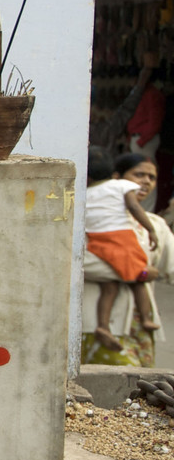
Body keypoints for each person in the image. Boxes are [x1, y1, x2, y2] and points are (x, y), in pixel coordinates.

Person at [84, 148, 163, 352]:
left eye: (152, 177)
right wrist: (139, 272)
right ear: (116, 175)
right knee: (138, 280)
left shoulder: (86, 195)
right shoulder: (121, 190)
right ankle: (143, 319)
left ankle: (106, 326)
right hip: (90, 327)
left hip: (138, 334)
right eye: (139, 174)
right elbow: (79, 263)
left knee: (110, 287)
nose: (145, 182)